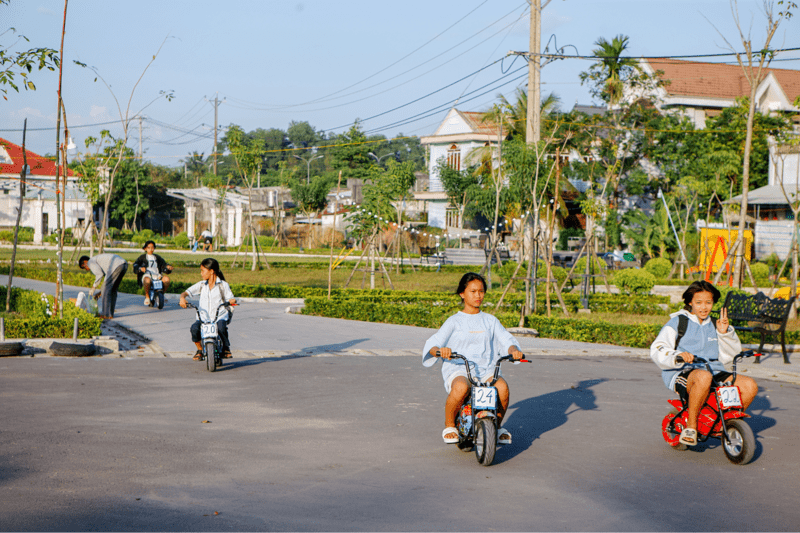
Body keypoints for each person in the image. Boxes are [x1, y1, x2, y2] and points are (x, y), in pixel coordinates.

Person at [650, 280, 758, 446]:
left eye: (708, 302)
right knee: (703, 377)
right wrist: (678, 355)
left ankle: (725, 424)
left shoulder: (716, 324)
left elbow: (730, 355)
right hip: (683, 372)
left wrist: (724, 334)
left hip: (713, 370)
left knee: (749, 385)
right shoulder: (679, 322)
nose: (704, 307)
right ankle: (691, 427)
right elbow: (658, 348)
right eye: (698, 302)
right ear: (690, 302)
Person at [422, 272, 524, 445]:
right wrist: (440, 351)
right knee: (461, 387)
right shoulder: (454, 321)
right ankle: (449, 425)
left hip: (486, 370)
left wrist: (514, 350)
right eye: (473, 291)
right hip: (459, 368)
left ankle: (496, 426)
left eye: (481, 291)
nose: (478, 295)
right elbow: (433, 344)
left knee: (502, 388)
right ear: (462, 293)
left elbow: (506, 340)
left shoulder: (490, 321)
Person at [179, 257, 236, 361]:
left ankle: (226, 348)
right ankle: (200, 350)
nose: (201, 273)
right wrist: (182, 298)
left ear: (211, 271)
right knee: (194, 329)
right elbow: (186, 292)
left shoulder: (223, 285)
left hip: (219, 316)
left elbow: (231, 298)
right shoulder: (201, 285)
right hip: (203, 318)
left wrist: (231, 301)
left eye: (202, 270)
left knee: (221, 327)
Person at [78, 253, 128, 320]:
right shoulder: (97, 259)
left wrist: (93, 287)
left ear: (85, 262)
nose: (87, 269)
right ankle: (110, 314)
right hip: (123, 264)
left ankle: (106, 314)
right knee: (112, 289)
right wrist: (100, 292)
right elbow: (107, 281)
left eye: (84, 267)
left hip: (115, 265)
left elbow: (99, 274)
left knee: (106, 290)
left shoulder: (90, 262)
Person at [132, 240, 174, 306]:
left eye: (152, 247)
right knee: (147, 280)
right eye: (149, 247)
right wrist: (140, 268)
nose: (151, 249)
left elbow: (164, 264)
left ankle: (162, 294)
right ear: (145, 248)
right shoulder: (142, 257)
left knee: (167, 279)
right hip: (147, 274)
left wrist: (168, 267)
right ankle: (147, 296)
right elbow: (135, 265)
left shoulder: (157, 257)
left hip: (157, 275)